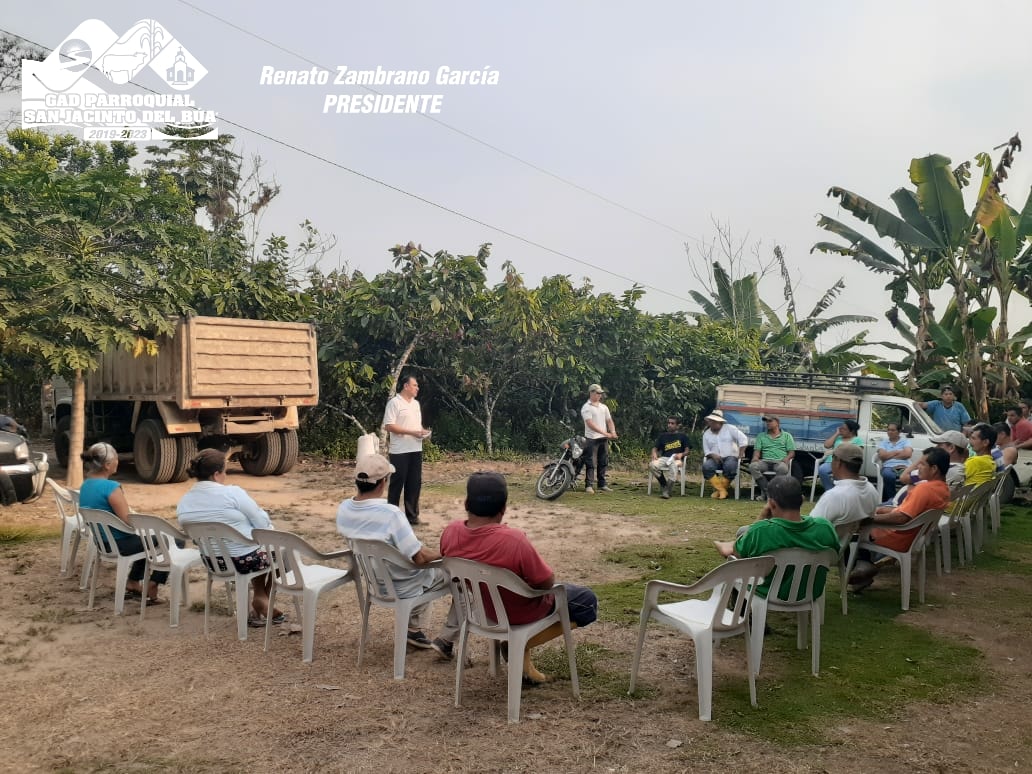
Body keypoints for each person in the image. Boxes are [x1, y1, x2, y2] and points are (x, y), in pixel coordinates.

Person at [440, 471, 598, 685]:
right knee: (587, 601)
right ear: (504, 508)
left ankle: (523, 662)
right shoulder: (513, 540)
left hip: (485, 611)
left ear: (467, 503)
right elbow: (546, 582)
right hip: (524, 612)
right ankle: (520, 643)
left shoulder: (450, 532)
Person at [336, 454, 459, 656]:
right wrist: (446, 554)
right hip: (402, 585)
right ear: (383, 482)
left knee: (422, 571)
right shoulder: (390, 514)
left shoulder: (344, 508)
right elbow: (419, 558)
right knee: (454, 574)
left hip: (376, 583)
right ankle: (446, 639)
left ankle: (414, 630)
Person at [177, 449, 283, 626]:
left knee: (256, 548)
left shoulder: (184, 502)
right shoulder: (233, 493)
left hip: (213, 562)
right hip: (245, 561)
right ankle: (262, 596)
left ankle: (260, 598)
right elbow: (262, 523)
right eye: (225, 471)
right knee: (281, 550)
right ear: (216, 474)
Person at [714, 476, 839, 599]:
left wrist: (762, 518)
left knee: (736, 564)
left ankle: (739, 609)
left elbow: (737, 554)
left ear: (772, 504)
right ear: (802, 499)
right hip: (809, 595)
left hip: (766, 594)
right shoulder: (825, 527)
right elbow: (834, 558)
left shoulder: (761, 531)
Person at [848, 446, 951, 592]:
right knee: (867, 516)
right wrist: (881, 510)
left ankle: (862, 564)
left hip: (897, 537)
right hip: (914, 536)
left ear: (934, 469)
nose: (918, 467)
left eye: (922, 464)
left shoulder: (924, 489)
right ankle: (864, 566)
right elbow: (906, 512)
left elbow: (901, 518)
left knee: (850, 527)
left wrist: (870, 519)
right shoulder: (943, 489)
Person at [78, 442, 170, 603]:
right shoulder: (111, 487)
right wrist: (146, 523)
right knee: (169, 540)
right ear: (107, 465)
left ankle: (133, 582)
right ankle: (153, 584)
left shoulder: (85, 485)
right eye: (116, 458)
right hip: (121, 543)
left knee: (145, 540)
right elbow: (128, 521)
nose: (118, 461)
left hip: (102, 542)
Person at [383, 375, 432, 525]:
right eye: (415, 385)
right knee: (397, 484)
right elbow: (389, 425)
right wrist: (411, 432)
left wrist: (422, 431)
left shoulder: (416, 404)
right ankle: (391, 516)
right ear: (406, 386)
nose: (417, 388)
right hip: (400, 451)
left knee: (414, 483)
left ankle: (412, 516)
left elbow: (416, 425)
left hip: (415, 448)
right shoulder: (394, 403)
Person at [809, 445, 880, 526]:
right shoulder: (872, 490)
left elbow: (811, 528)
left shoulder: (833, 496)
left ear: (838, 462)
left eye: (832, 458)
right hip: (859, 534)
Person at [700, 409, 747, 500]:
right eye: (710, 421)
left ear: (720, 422)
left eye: (714, 421)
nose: (712, 423)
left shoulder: (730, 428)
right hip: (715, 458)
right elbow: (706, 450)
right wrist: (712, 455)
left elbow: (743, 439)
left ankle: (720, 491)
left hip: (731, 456)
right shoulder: (706, 434)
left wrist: (741, 454)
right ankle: (721, 490)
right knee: (706, 466)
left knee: (730, 466)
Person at [581, 383, 617, 493]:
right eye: (597, 393)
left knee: (603, 461)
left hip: (603, 439)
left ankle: (602, 484)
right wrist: (605, 433)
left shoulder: (603, 407)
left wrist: (613, 432)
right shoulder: (586, 407)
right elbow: (590, 424)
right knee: (591, 462)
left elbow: (609, 420)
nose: (599, 395)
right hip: (592, 439)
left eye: (600, 393)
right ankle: (589, 485)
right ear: (591, 393)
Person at [750, 416, 795, 501]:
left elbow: (792, 452)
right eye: (766, 422)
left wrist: (787, 458)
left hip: (780, 462)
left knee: (783, 468)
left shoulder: (787, 436)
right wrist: (755, 457)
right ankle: (769, 493)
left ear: (777, 423)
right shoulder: (761, 436)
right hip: (765, 461)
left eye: (770, 421)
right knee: (753, 466)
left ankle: (769, 494)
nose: (768, 423)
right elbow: (757, 451)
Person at [817, 419, 864, 492]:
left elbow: (859, 453)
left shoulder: (857, 440)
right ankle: (829, 490)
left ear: (851, 431)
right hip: (832, 461)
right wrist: (837, 433)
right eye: (841, 428)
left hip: (847, 463)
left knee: (841, 473)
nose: (841, 430)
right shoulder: (838, 438)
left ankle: (840, 491)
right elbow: (826, 445)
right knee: (822, 469)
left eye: (844, 429)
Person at [649, 416, 690, 499]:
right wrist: (654, 453)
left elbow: (687, 451)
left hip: (677, 459)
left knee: (674, 465)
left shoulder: (683, 436)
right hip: (664, 458)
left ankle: (667, 491)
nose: (669, 425)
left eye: (672, 423)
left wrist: (681, 454)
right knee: (652, 465)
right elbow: (655, 448)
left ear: (677, 425)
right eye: (668, 423)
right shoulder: (663, 436)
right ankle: (665, 485)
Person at [876, 423, 913, 501]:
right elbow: (882, 456)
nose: (890, 432)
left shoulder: (905, 441)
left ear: (899, 431)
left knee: (908, 476)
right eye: (888, 430)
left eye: (893, 430)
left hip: (903, 466)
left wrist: (889, 455)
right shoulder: (884, 442)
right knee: (888, 475)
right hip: (888, 466)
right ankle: (892, 499)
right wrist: (896, 452)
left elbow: (908, 454)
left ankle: (905, 498)